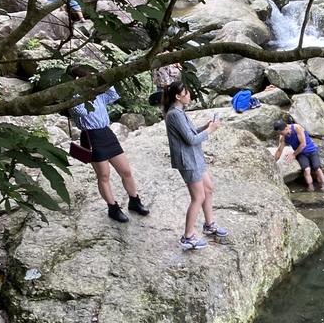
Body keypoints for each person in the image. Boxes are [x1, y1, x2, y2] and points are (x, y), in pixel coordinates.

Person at [66, 65, 150, 223]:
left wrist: (103, 79)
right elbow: (81, 111)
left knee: (125, 170)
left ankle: (134, 200)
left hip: (106, 133)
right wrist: (78, 88)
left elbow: (114, 94)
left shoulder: (98, 94)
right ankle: (113, 207)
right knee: (104, 175)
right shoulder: (73, 98)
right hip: (91, 136)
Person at [163, 81, 227, 250]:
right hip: (188, 161)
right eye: (187, 93)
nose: (190, 95)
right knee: (198, 197)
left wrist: (204, 128)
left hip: (195, 158)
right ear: (178, 97)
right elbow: (190, 140)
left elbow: (189, 134)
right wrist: (210, 131)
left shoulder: (179, 112)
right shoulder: (174, 114)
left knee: (209, 189)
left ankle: (209, 224)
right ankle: (187, 237)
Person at [273, 120, 324, 192]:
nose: (280, 134)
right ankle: (311, 187)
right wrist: (273, 162)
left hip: (311, 151)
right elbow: (279, 150)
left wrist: (293, 154)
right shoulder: (283, 137)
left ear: (285, 129)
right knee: (307, 170)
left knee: (318, 169)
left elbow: (303, 144)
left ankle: (323, 186)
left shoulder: (297, 128)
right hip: (301, 154)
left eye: (281, 132)